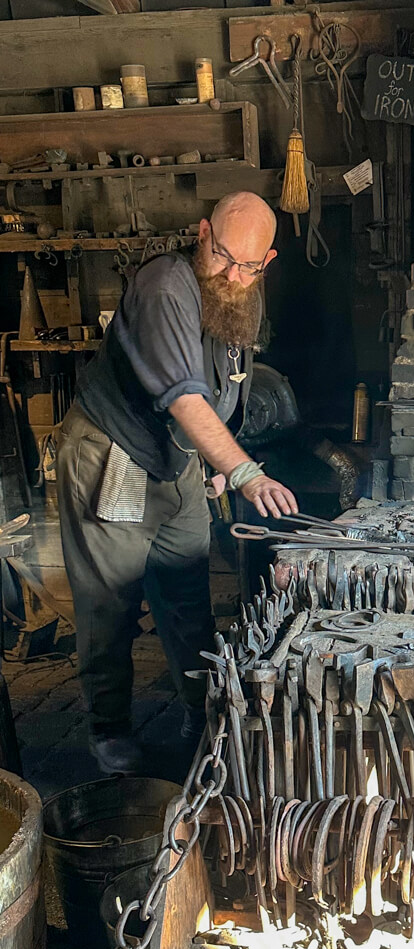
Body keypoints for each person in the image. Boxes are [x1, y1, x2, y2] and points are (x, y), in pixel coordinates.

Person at [56, 192, 298, 775]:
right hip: (112, 450)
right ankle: (109, 735)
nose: (232, 273)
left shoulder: (243, 289)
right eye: (221, 255)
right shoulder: (166, 287)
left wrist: (216, 462)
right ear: (202, 233)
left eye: (247, 265)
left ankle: (201, 713)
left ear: (265, 261)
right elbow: (185, 397)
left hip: (177, 455)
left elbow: (225, 386)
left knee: (187, 590)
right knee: (110, 602)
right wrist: (242, 471)